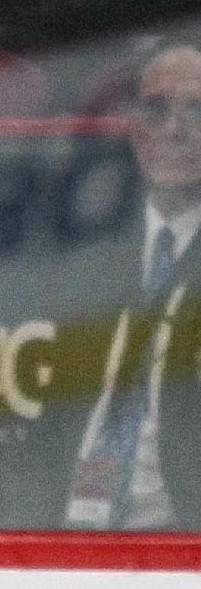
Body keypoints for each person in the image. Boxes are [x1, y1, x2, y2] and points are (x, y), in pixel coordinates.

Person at [64, 43, 201, 529]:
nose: (173, 129)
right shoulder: (81, 254)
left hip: (175, 542)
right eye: (156, 108)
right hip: (56, 528)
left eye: (195, 110)